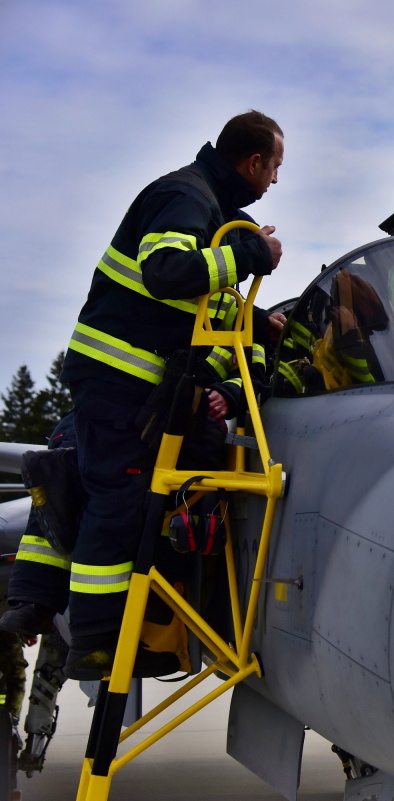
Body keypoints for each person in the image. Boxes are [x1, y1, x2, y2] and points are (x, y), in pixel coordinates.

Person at [1, 111, 285, 681]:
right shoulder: (187, 198)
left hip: (127, 384)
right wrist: (252, 256)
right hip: (119, 377)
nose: (275, 180)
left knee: (97, 485)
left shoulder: (212, 211)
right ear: (253, 162)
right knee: (120, 500)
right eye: (274, 166)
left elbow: (199, 304)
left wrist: (259, 324)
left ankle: (46, 600)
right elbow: (167, 272)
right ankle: (96, 643)